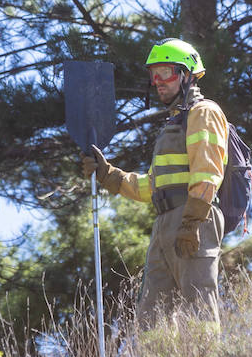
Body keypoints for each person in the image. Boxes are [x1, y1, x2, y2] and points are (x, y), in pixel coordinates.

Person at [82, 38, 228, 326]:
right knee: (151, 318)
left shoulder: (203, 112)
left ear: (187, 75)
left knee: (199, 305)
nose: (158, 81)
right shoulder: (173, 125)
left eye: (165, 72)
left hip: (194, 217)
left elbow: (207, 173)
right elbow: (152, 186)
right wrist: (108, 175)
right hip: (164, 222)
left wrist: (191, 223)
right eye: (153, 74)